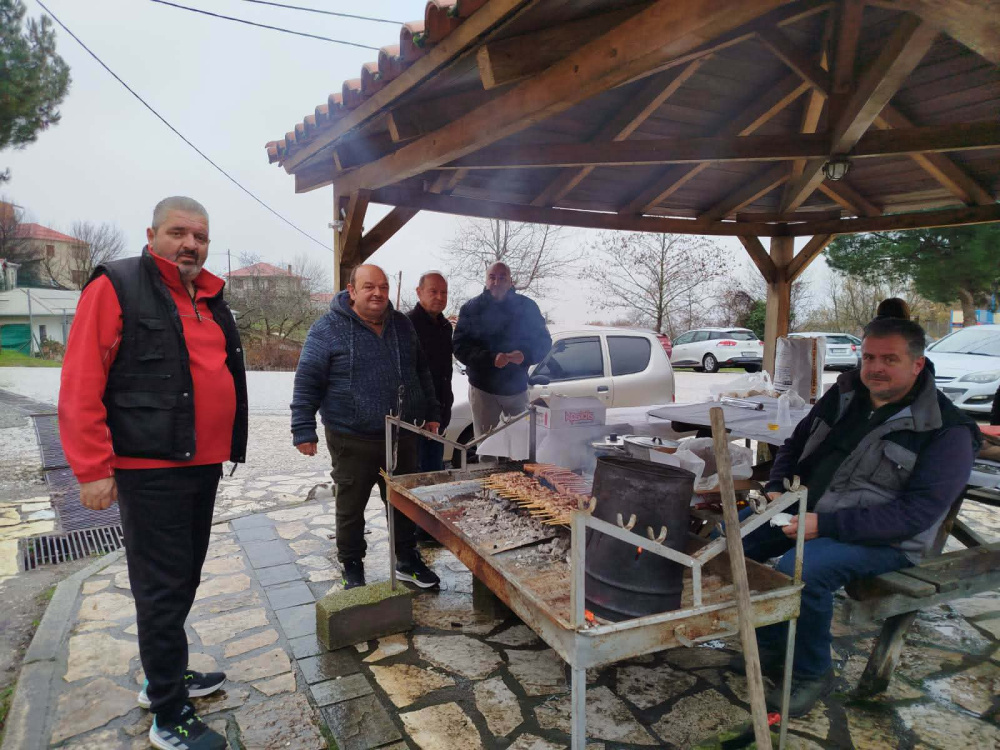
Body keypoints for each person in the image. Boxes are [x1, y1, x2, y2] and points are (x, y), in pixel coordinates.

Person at [59, 197, 247, 750]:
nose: (190, 244)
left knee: (183, 578)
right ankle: (169, 715)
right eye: (178, 232)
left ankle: (164, 673)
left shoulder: (207, 296)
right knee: (162, 588)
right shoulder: (116, 285)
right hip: (149, 469)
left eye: (200, 237)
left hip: (202, 465)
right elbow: (81, 379)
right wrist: (92, 468)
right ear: (151, 234)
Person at [742, 317, 979, 717]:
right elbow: (793, 445)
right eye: (868, 357)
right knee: (732, 540)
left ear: (917, 364)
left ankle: (811, 673)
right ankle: (771, 647)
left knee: (802, 570)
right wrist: (778, 487)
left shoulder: (947, 429)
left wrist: (825, 525)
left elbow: (916, 515)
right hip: (804, 510)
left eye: (889, 359)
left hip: (887, 540)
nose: (875, 368)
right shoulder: (845, 393)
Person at [291, 264, 442, 590]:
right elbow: (307, 379)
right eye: (369, 287)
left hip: (402, 435)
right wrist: (303, 427)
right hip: (351, 437)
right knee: (351, 506)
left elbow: (421, 371)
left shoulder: (401, 325)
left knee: (403, 503)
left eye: (383, 287)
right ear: (352, 290)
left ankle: (407, 560)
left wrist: (431, 411)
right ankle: (352, 566)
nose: (378, 293)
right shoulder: (327, 329)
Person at [453, 262, 552, 437]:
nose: (496, 282)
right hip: (482, 389)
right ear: (486, 280)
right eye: (492, 277)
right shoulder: (471, 308)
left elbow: (544, 342)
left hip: (517, 389)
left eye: (502, 278)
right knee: (485, 444)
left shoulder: (527, 307)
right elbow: (459, 347)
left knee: (521, 441)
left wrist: (525, 355)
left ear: (510, 281)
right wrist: (490, 358)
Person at [407, 271, 454, 472]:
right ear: (419, 292)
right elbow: (409, 375)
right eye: (433, 291)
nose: (439, 297)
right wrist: (426, 414)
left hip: (440, 414)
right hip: (417, 420)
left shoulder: (445, 326)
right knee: (418, 477)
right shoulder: (407, 324)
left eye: (444, 292)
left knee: (435, 473)